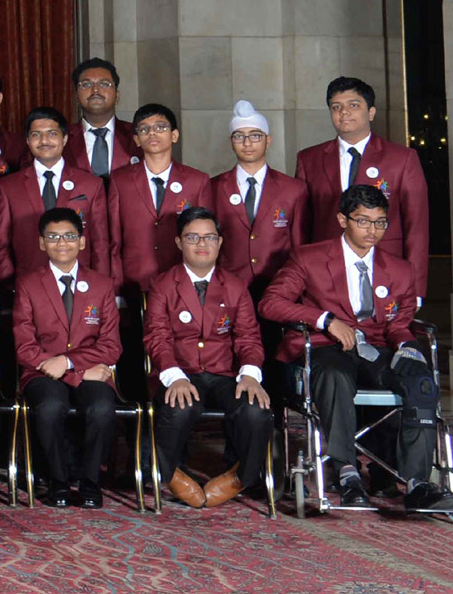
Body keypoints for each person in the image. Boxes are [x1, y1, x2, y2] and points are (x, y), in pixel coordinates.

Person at [260, 184, 452, 513]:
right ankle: (347, 470)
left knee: (420, 381)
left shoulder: (400, 269)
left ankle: (418, 482)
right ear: (342, 219)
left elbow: (398, 323)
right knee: (335, 376)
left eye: (380, 223)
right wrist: (324, 319)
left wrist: (406, 345)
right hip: (326, 347)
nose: (372, 231)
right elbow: (270, 303)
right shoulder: (309, 258)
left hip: (376, 349)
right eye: (363, 221)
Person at [144, 206, 273, 508]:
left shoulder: (236, 285)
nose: (202, 245)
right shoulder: (163, 284)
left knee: (256, 410)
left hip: (225, 373)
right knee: (177, 408)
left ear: (220, 241)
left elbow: (248, 337)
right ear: (178, 242)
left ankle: (241, 476)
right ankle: (170, 473)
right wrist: (174, 377)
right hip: (182, 371)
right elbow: (157, 336)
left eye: (209, 237)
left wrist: (251, 375)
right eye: (193, 238)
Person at [14, 207, 120, 508]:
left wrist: (71, 363)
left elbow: (111, 345)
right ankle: (58, 482)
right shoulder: (28, 284)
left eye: (70, 236)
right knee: (50, 406)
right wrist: (73, 374)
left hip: (91, 370)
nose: (62, 243)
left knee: (101, 407)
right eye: (54, 237)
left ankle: (89, 482)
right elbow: (24, 346)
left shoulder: (102, 284)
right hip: (41, 372)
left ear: (82, 242)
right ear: (41, 243)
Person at [295, 78, 430, 274]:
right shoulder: (308, 159)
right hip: (325, 271)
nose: (344, 112)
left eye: (354, 105)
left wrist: (415, 287)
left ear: (371, 112)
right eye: (336, 107)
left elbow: (416, 227)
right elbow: (301, 225)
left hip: (385, 268)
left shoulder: (402, 158)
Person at [0, 107, 109, 284]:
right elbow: (2, 243)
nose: (44, 140)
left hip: (79, 281)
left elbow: (100, 242)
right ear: (28, 141)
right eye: (36, 135)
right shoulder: (8, 185)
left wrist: (101, 284)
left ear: (65, 138)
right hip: (27, 282)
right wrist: (7, 286)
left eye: (52, 133)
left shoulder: (91, 184)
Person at [106, 103, 209, 295]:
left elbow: (206, 238)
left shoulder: (197, 181)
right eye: (144, 129)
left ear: (174, 135)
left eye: (160, 127)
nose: (152, 133)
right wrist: (116, 288)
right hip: (134, 281)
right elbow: (114, 239)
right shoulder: (120, 181)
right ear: (137, 139)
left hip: (184, 281)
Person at [215, 99, 309, 295]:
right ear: (230, 141)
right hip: (228, 286)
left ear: (268, 140)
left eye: (255, 136)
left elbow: (299, 245)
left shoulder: (293, 189)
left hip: (280, 287)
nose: (247, 143)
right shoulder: (213, 187)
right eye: (239, 136)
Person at [64, 58, 135, 178]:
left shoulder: (137, 135)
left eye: (104, 84)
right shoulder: (61, 138)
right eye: (86, 84)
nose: (95, 90)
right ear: (76, 96)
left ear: (117, 95)